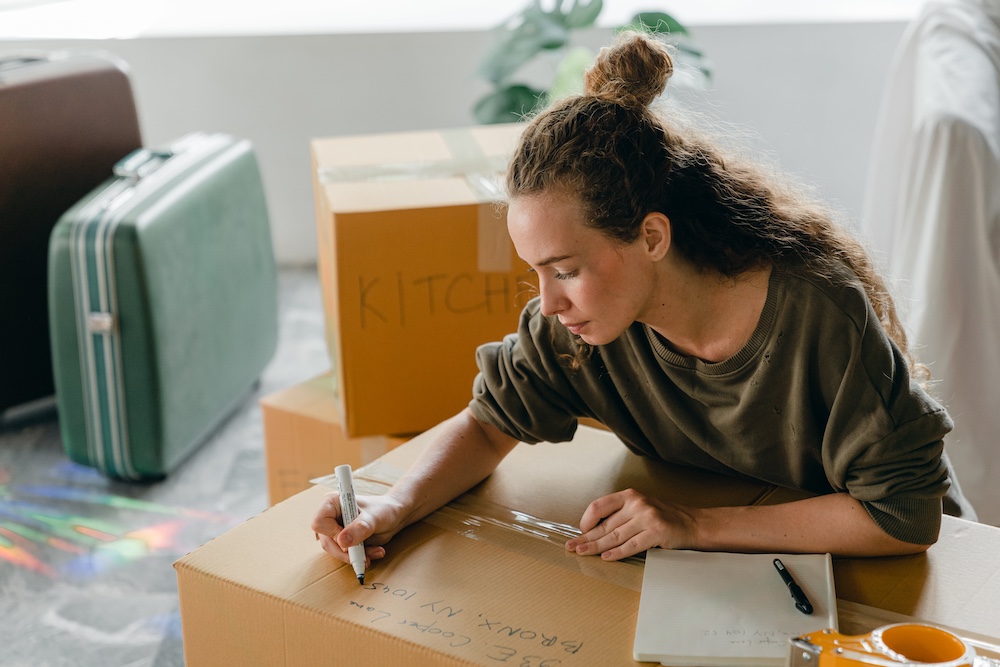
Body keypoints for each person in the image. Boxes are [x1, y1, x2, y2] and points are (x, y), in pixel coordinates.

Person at [312, 31, 976, 570]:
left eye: (566, 269)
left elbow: (904, 514)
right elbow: (489, 424)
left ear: (651, 235)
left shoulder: (817, 312)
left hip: (898, 580)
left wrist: (691, 525)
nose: (549, 303)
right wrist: (387, 509)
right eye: (536, 272)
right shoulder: (577, 329)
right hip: (744, 574)